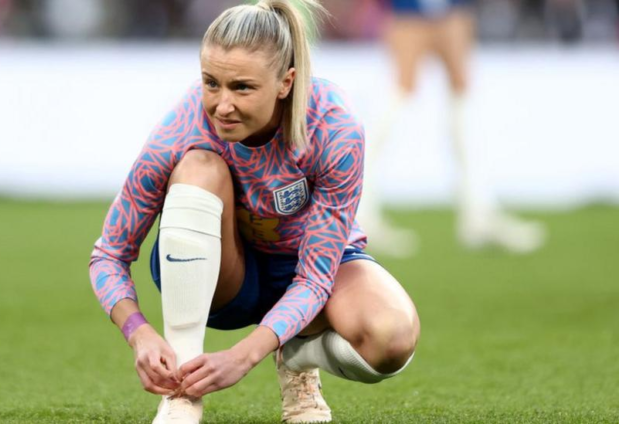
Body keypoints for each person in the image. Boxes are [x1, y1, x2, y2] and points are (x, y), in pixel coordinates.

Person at [89, 1, 420, 423]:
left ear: (286, 83)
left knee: (392, 339)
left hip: (306, 272)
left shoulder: (334, 128)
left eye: (242, 88)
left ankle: (298, 357)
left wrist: (246, 355)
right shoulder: (181, 128)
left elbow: (315, 277)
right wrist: (139, 332)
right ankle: (181, 391)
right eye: (211, 83)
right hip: (226, 276)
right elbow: (109, 254)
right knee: (199, 167)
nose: (222, 105)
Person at [357, 0, 547, 257]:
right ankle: (361, 213)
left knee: (462, 102)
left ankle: (478, 212)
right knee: (396, 99)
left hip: (451, 9)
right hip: (408, 10)